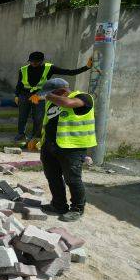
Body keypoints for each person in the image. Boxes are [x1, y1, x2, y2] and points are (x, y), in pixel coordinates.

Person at [37, 78, 96, 222]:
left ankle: (77, 209)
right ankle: (59, 205)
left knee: (72, 179)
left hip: (72, 148)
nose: (47, 96)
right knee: (52, 176)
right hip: (51, 145)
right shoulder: (53, 101)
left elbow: (68, 104)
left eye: (50, 93)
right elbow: (49, 121)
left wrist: (49, 95)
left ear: (62, 90)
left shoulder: (83, 97)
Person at [14, 51, 92, 142]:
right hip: (24, 95)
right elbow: (19, 84)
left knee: (38, 117)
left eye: (36, 62)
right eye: (31, 61)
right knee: (22, 116)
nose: (33, 63)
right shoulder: (23, 69)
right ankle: (20, 134)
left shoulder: (49, 68)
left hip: (39, 95)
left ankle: (35, 137)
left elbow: (69, 72)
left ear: (41, 61)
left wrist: (86, 67)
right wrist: (16, 95)